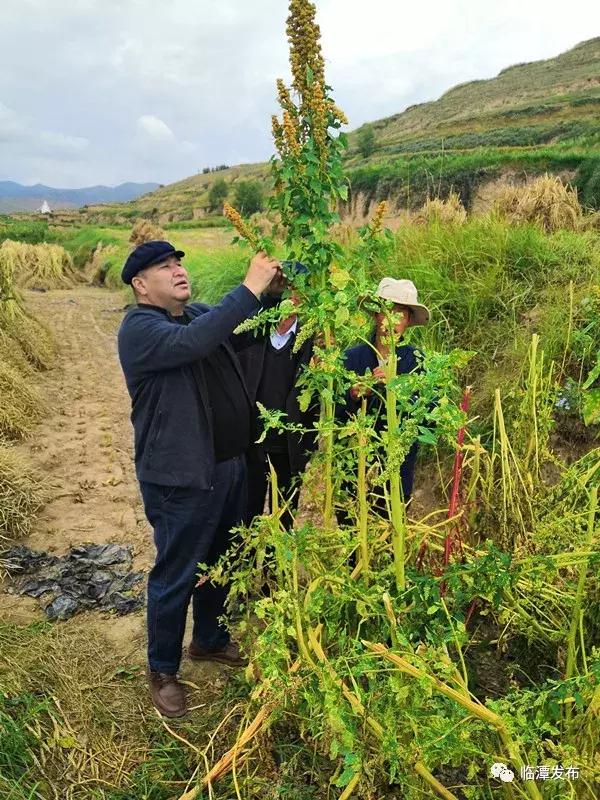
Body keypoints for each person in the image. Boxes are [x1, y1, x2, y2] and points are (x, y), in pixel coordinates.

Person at [117, 239, 279, 718]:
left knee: (222, 561)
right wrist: (248, 286)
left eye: (178, 263)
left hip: (228, 467)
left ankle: (208, 640)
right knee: (177, 572)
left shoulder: (195, 317)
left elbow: (241, 332)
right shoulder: (140, 330)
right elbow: (198, 342)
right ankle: (162, 669)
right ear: (141, 284)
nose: (177, 271)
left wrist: (273, 296)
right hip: (179, 478)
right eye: (164, 267)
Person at [237, 262, 318, 529]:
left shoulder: (314, 340)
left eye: (295, 291)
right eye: (281, 289)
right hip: (251, 441)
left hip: (289, 445)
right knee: (245, 512)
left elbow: (318, 399)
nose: (289, 298)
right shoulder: (251, 332)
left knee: (284, 515)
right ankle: (243, 565)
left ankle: (276, 571)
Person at [340, 277, 430, 513]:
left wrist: (398, 388)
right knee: (353, 537)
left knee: (391, 540)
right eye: (387, 311)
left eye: (400, 313)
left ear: (409, 320)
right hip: (355, 470)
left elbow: (427, 417)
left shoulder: (417, 363)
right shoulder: (352, 359)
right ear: (375, 315)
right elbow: (334, 417)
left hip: (397, 472)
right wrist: (354, 394)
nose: (392, 320)